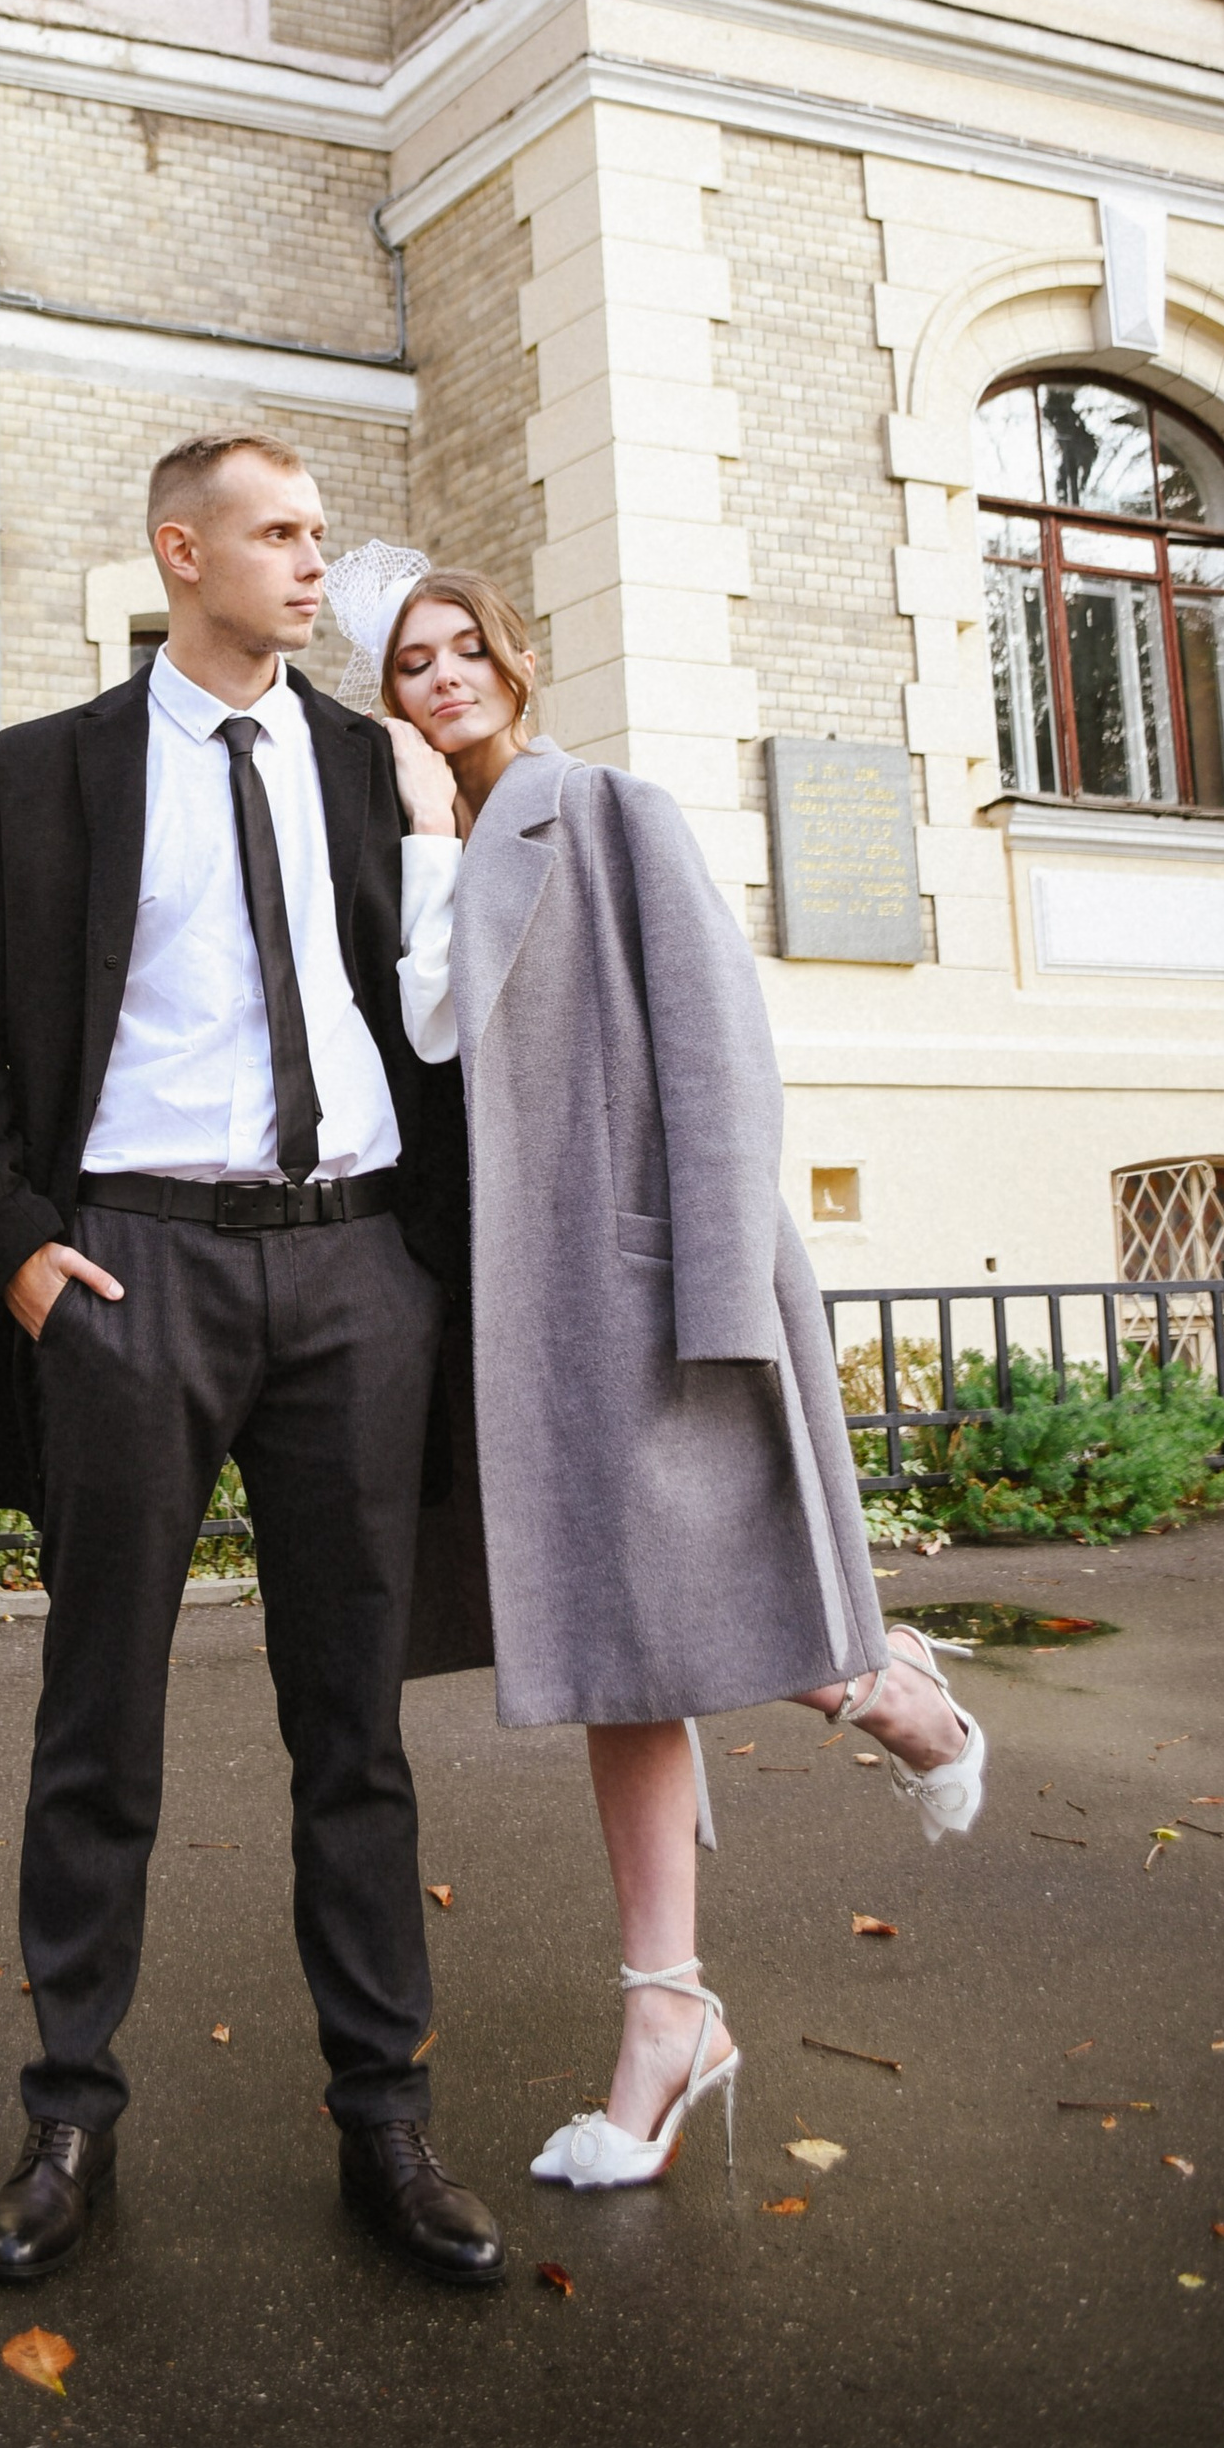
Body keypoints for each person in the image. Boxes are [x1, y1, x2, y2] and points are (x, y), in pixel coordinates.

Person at [0, 441, 503, 2289]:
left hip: (352, 1275)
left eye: (323, 534)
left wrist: (426, 1271)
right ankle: (69, 2113)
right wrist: (19, 1260)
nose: (318, 563)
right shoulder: (49, 773)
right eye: (282, 533)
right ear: (184, 552)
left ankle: (385, 2124)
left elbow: (454, 1016)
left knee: (359, 1730)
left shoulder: (360, 762)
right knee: (102, 1720)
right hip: (132, 1275)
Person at [351, 555, 985, 2192]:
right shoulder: (425, 846)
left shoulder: (608, 810)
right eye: (412, 664)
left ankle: (880, 1685)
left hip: (640, 1278)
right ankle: (669, 2014)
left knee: (650, 1605)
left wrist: (718, 1288)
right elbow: (429, 1045)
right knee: (612, 1646)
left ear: (518, 661)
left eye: (465, 650)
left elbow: (719, 1049)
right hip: (515, 1303)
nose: (443, 679)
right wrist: (427, 841)